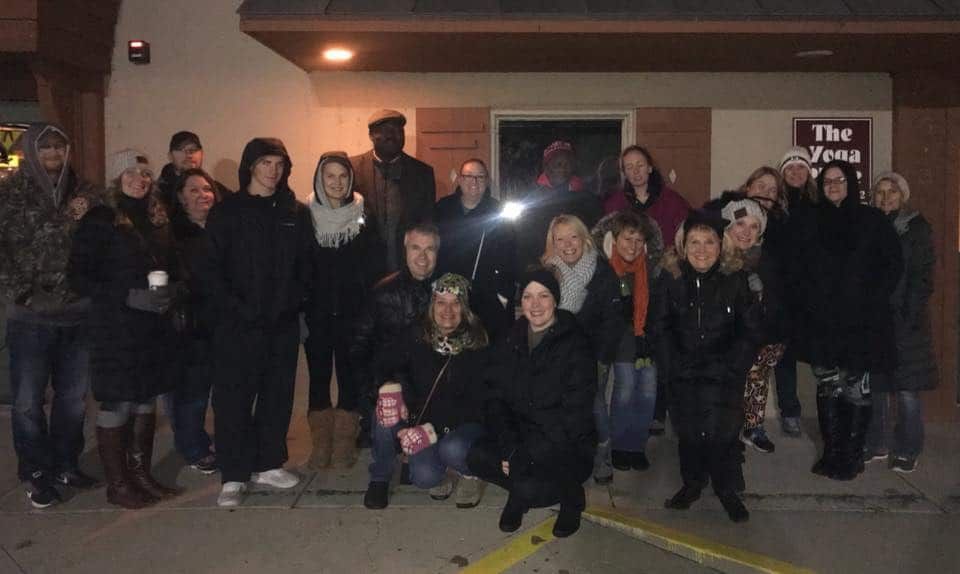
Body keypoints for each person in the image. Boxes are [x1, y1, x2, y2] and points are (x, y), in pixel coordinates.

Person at [196, 138, 314, 507]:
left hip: (280, 324)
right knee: (234, 399)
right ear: (250, 166)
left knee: (277, 396)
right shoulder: (227, 212)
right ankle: (234, 473)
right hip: (237, 324)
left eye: (279, 163)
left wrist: (294, 303)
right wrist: (236, 308)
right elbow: (210, 270)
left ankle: (268, 462)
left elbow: (305, 266)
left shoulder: (293, 211)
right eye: (265, 162)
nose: (273, 170)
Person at [69, 149, 180, 509]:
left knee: (146, 399)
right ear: (117, 179)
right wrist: (126, 295)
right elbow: (79, 276)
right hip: (115, 327)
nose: (139, 179)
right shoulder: (100, 220)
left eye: (144, 174)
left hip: (152, 328)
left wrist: (172, 292)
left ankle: (141, 475)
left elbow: (173, 265)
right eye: (130, 173)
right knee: (118, 401)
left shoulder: (158, 217)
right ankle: (118, 484)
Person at [0, 123, 101, 508]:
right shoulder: (10, 193)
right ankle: (35, 472)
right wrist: (22, 293)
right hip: (31, 318)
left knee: (73, 400)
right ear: (31, 152)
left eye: (60, 147)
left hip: (77, 313)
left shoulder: (84, 192)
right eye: (46, 149)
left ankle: (65, 463)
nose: (54, 155)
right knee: (27, 402)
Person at [791, 160, 902, 481]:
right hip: (822, 325)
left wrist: (872, 298)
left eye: (840, 180)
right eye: (827, 181)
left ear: (851, 184)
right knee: (828, 388)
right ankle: (832, 452)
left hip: (862, 324)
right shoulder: (810, 220)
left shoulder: (872, 220)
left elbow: (892, 265)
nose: (834, 185)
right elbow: (797, 270)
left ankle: (852, 456)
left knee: (856, 389)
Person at [467, 268, 596, 538]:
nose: (535, 305)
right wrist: (511, 447)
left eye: (543, 296)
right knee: (476, 455)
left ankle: (572, 498)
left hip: (566, 445)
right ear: (520, 302)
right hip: (522, 437)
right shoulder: (509, 339)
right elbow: (495, 398)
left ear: (555, 300)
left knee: (532, 488)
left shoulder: (576, 343)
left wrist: (527, 452)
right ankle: (521, 487)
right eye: (528, 296)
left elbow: (575, 416)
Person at [656, 209, 760, 523]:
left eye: (709, 242)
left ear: (721, 246)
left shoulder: (736, 278)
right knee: (688, 434)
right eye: (694, 243)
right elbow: (659, 327)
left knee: (722, 435)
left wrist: (734, 365)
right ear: (683, 247)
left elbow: (750, 328)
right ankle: (692, 484)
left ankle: (726, 489)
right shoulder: (670, 278)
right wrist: (672, 366)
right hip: (683, 372)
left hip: (724, 372)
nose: (702, 250)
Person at [363, 273, 490, 510]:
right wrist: (390, 386)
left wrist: (432, 430)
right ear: (433, 305)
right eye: (441, 302)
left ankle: (469, 473)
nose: (448, 310)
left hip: (464, 425)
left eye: (455, 303)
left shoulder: (477, 342)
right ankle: (380, 478)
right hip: (424, 423)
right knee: (423, 476)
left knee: (452, 448)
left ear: (464, 308)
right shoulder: (416, 334)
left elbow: (479, 403)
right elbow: (382, 362)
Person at [603, 145, 691, 435]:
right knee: (628, 371)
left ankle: (657, 412)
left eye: (640, 165)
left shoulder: (671, 200)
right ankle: (621, 433)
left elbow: (685, 239)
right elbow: (606, 243)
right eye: (629, 166)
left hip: (661, 284)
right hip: (626, 287)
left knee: (658, 358)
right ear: (624, 172)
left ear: (650, 167)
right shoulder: (616, 201)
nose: (636, 171)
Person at [305, 152, 385, 470]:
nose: (337, 183)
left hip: (354, 315)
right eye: (330, 177)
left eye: (342, 176)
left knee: (350, 379)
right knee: (318, 379)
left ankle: (344, 446)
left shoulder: (365, 215)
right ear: (320, 179)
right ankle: (321, 446)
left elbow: (375, 265)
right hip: (318, 315)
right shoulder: (305, 215)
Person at [540, 214, 622, 483]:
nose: (567, 244)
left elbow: (612, 319)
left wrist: (601, 358)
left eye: (573, 236)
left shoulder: (602, 270)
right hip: (558, 352)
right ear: (552, 243)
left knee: (595, 403)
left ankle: (603, 452)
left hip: (593, 352)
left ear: (584, 238)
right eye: (559, 239)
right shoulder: (547, 271)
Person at [865, 172, 937, 473]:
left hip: (906, 321)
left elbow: (923, 277)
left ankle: (908, 448)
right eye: (880, 191)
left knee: (907, 389)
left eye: (892, 191)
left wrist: (909, 313)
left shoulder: (917, 227)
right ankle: (878, 443)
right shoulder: (868, 226)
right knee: (877, 386)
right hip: (875, 320)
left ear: (902, 195)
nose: (885, 197)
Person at [350, 224, 441, 446]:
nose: (422, 256)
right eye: (415, 248)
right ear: (405, 250)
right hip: (393, 385)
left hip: (432, 389)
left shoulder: (446, 292)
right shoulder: (383, 292)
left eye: (429, 249)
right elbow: (359, 348)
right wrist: (377, 391)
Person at [591, 210, 664, 472]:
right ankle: (620, 445)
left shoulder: (651, 267)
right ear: (614, 238)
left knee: (648, 388)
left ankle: (636, 446)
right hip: (617, 336)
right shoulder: (602, 266)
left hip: (645, 335)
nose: (633, 246)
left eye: (638, 241)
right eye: (627, 239)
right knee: (625, 386)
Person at [715, 197, 788, 454]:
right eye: (740, 223)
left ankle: (752, 426)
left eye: (754, 226)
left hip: (758, 336)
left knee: (757, 376)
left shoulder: (766, 260)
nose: (746, 232)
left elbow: (777, 304)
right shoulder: (712, 255)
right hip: (721, 339)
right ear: (727, 227)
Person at [164, 168, 222, 474]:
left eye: (207, 189)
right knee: (192, 392)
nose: (203, 196)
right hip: (191, 325)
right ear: (180, 197)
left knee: (218, 388)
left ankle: (210, 440)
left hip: (221, 322)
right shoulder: (173, 234)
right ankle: (193, 447)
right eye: (194, 191)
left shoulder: (222, 228)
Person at [435, 158, 516, 340]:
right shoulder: (443, 208)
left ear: (487, 181)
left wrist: (502, 296)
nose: (474, 182)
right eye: (469, 176)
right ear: (460, 179)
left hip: (485, 297)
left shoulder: (498, 211)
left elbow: (509, 257)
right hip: (450, 296)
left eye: (480, 177)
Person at [350, 110, 436, 274]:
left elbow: (428, 224)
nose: (392, 135)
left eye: (398, 130)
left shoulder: (423, 173)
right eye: (385, 130)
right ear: (371, 135)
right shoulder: (352, 169)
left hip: (407, 271)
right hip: (361, 269)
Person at [772, 147, 819, 436]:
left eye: (801, 167)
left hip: (813, 294)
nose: (795, 172)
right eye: (790, 168)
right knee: (784, 357)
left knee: (821, 355)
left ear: (809, 171)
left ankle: (831, 411)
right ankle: (790, 412)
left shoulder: (820, 205)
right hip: (782, 294)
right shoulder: (775, 206)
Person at [515, 141, 602, 271]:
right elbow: (524, 240)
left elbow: (594, 235)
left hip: (580, 268)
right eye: (557, 164)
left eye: (567, 163)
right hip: (542, 268)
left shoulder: (587, 199)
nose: (562, 167)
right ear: (546, 167)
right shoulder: (531, 200)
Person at [156, 131, 231, 208]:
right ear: (170, 156)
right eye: (181, 149)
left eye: (194, 149)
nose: (188, 154)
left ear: (202, 153)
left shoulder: (217, 189)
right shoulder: (158, 192)